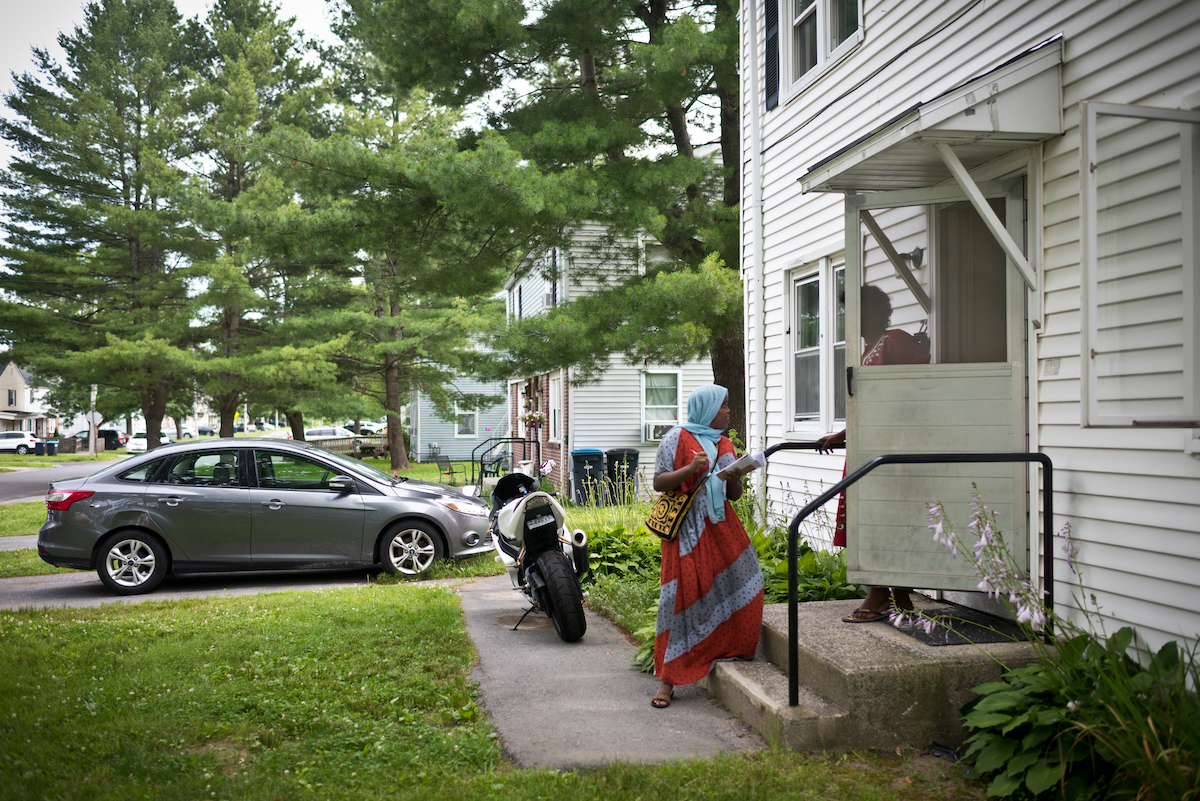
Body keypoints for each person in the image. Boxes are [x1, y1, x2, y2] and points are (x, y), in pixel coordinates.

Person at [816, 285, 930, 623]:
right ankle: (897, 598)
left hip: (891, 446)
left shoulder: (895, 341)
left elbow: (916, 391)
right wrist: (844, 433)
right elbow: (866, 404)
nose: (851, 319)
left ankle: (881, 595)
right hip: (868, 447)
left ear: (877, 312)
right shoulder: (866, 349)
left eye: (858, 310)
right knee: (870, 520)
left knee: (885, 519)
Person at [650, 384, 763, 709]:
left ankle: (722, 650)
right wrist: (690, 469)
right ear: (707, 408)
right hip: (686, 529)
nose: (728, 411)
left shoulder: (724, 443)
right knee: (682, 597)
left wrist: (736, 475)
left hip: (720, 526)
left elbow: (734, 496)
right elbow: (659, 482)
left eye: (728, 405)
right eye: (723, 405)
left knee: (745, 583)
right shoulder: (677, 437)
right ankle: (667, 681)